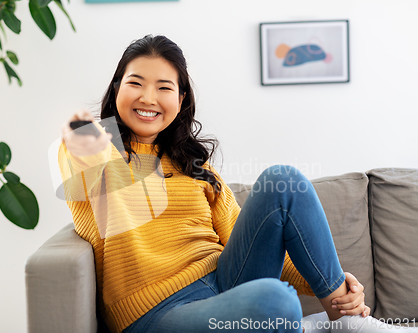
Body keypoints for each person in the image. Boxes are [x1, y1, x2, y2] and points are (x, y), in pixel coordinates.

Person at [58, 35, 414, 333]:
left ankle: (346, 315)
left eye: (163, 87)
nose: (148, 98)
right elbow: (85, 158)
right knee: (278, 301)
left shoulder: (194, 166)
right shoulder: (96, 149)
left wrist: (333, 284)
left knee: (283, 179)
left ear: (180, 100)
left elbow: (252, 241)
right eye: (135, 83)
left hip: (225, 281)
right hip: (157, 312)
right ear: (117, 88)